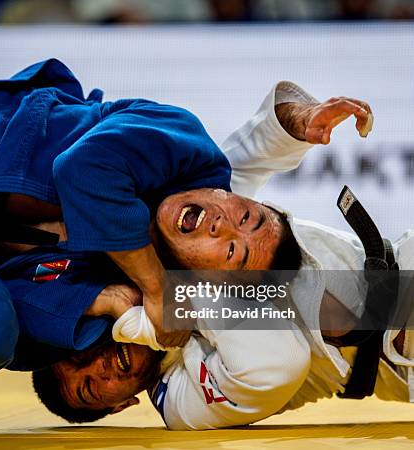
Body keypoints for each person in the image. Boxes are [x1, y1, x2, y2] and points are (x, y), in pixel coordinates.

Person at [0, 60, 370, 398]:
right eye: (245, 214)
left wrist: (119, 297)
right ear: (232, 192)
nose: (226, 225)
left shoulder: (113, 269)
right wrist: (152, 286)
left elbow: (31, 313)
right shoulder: (183, 146)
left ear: (195, 275)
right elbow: (86, 170)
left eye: (229, 251)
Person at [34, 85, 413, 430]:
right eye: (89, 388)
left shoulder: (192, 231)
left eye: (79, 350)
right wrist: (145, 313)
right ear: (120, 406)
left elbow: (255, 146)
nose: (98, 365)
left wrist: (299, 120)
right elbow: (274, 363)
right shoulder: (182, 403)